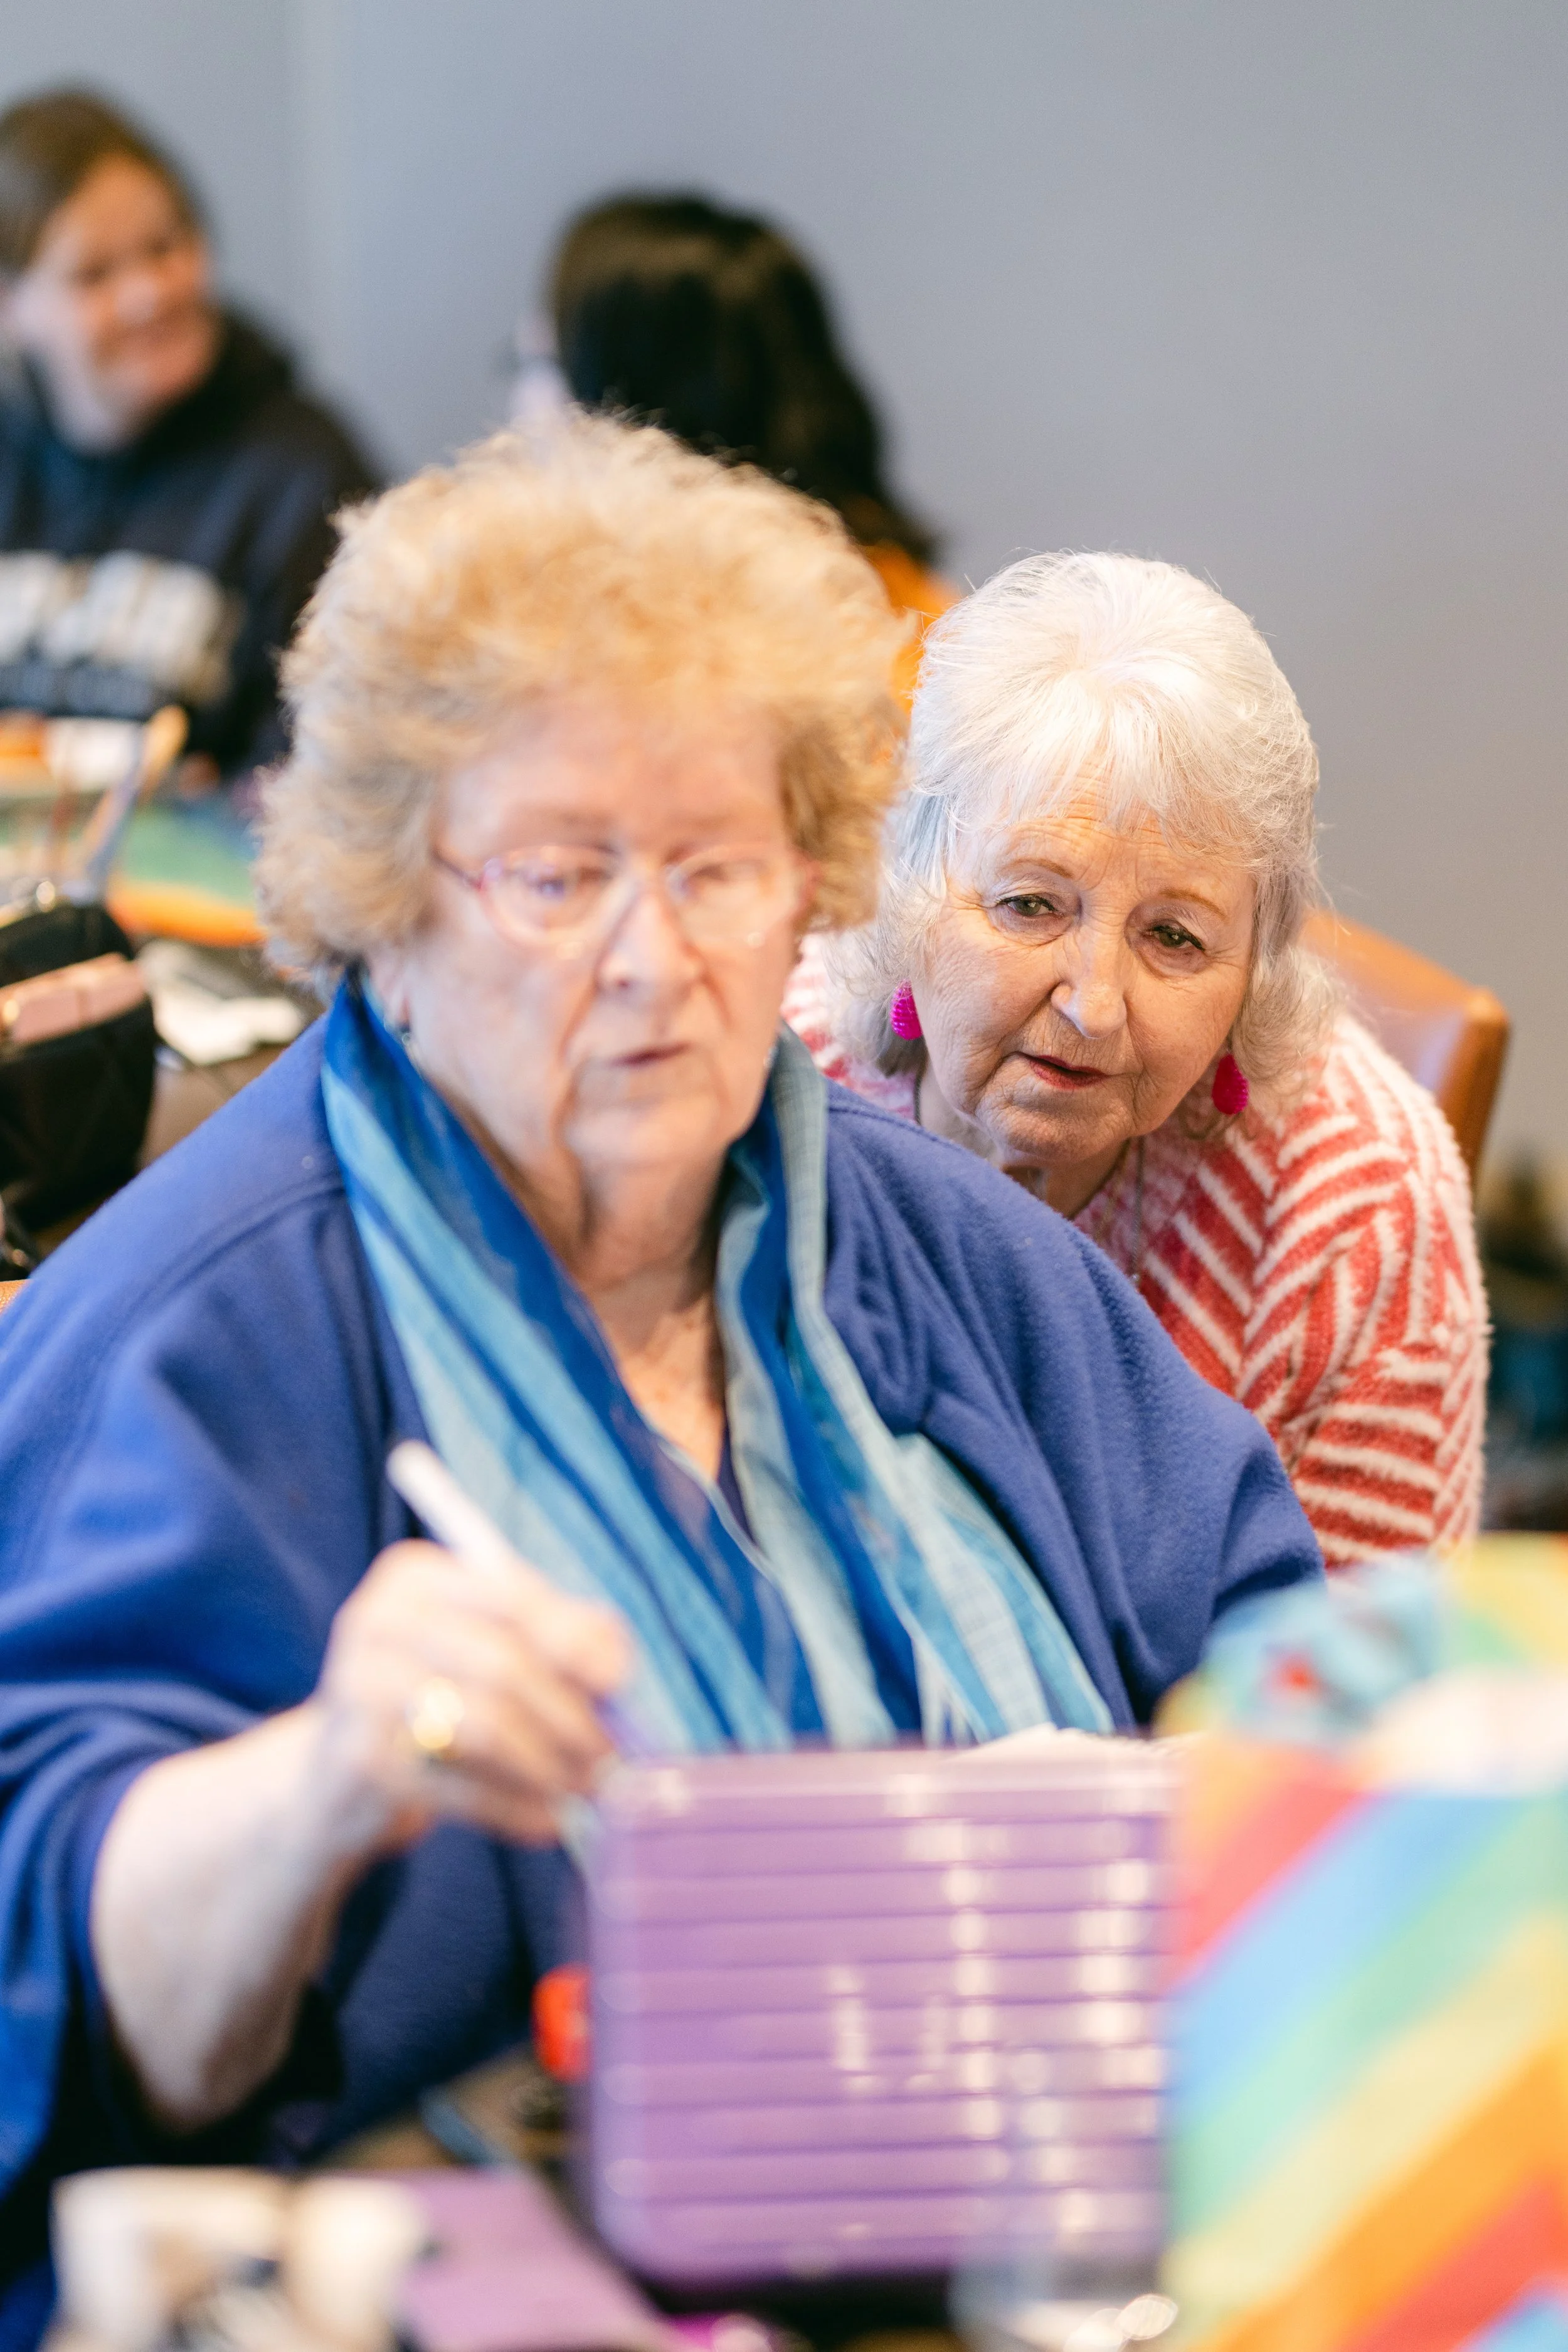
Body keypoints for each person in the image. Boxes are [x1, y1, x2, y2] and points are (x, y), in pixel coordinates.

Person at [0, 420, 1320, 2334]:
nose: (653, 959)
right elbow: (66, 1998)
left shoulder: (934, 1247)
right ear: (390, 891)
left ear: (810, 882)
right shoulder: (193, 1329)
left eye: (714, 865)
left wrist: (1158, 1824)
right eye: (555, 875)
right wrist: (323, 1779)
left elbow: (1277, 1672)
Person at [785, 551, 1488, 1567]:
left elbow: (1352, 1679)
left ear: (1257, 967)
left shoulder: (1357, 1201)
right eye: (1031, 903)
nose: (1093, 1004)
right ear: (907, 889)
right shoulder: (768, 1065)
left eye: (1176, 938)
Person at [0, 88, 378, 782]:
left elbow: (351, 746)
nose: (149, 293)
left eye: (165, 246)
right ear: (12, 308)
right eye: (95, 274)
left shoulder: (303, 469)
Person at [548, 191, 953, 700]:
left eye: (531, 365)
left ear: (625, 398)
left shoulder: (697, 672)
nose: (524, 405)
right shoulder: (909, 605)